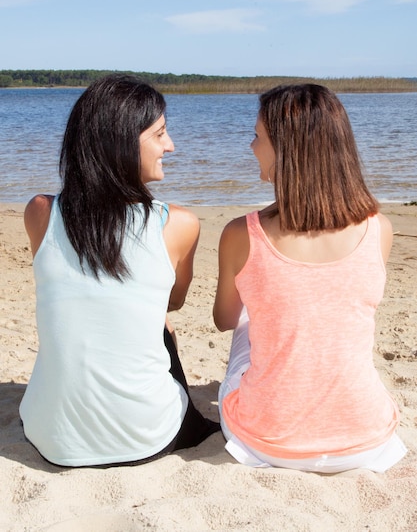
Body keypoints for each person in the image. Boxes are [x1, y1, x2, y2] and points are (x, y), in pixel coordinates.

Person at [20, 73, 219, 467]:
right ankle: (190, 424)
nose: (171, 146)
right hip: (147, 439)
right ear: (123, 141)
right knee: (161, 324)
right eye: (160, 134)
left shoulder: (40, 211)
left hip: (49, 436)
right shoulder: (177, 224)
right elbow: (172, 303)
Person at [213, 83, 407, 473]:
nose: (251, 147)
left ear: (287, 149)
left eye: (258, 137)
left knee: (247, 324)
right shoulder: (379, 229)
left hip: (268, 443)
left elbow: (224, 320)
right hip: (365, 441)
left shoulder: (241, 234)